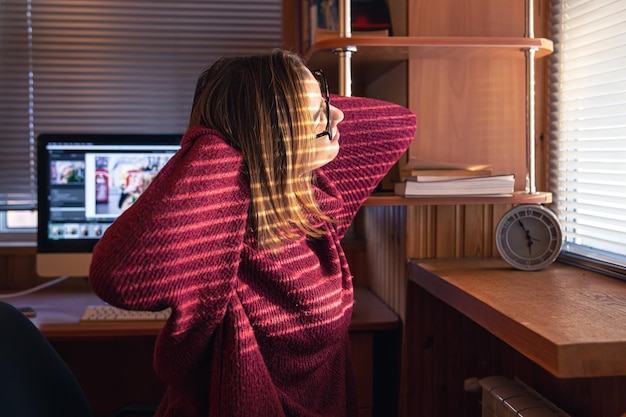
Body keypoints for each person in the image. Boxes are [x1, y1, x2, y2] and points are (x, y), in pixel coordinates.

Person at [89, 49, 416, 417]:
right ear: (270, 132)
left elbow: (397, 123)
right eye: (315, 111)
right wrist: (223, 138)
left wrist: (298, 94)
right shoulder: (219, 246)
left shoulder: (313, 209)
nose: (337, 114)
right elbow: (118, 275)